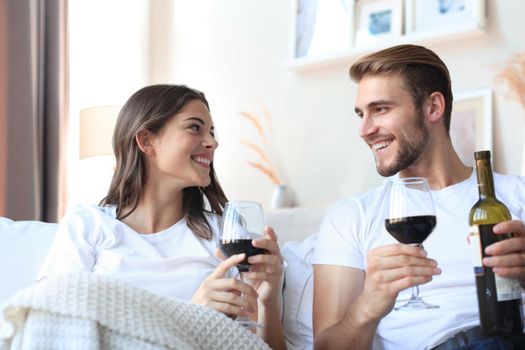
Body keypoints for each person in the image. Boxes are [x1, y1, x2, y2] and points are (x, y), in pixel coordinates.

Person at [38, 84, 286, 349]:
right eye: (195, 127)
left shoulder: (223, 235)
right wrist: (191, 316)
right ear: (146, 141)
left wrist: (269, 300)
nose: (213, 142)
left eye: (212, 132)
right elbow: (50, 327)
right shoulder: (88, 224)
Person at [312, 44, 525, 349]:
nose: (365, 129)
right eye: (361, 114)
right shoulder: (352, 217)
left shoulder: (517, 194)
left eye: (381, 109)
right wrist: (367, 307)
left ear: (433, 107)